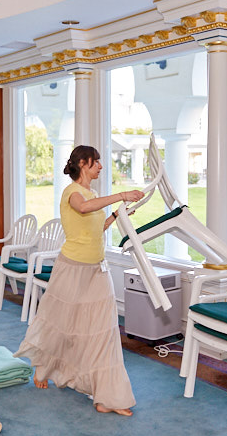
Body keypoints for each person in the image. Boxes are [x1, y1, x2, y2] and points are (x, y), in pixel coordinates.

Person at [15, 145, 144, 416]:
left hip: (97, 270)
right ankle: (44, 368)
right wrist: (121, 195)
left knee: (105, 332)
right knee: (61, 322)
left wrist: (116, 215)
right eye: (97, 162)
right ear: (84, 163)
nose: (100, 166)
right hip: (72, 268)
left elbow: (96, 227)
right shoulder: (72, 193)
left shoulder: (93, 195)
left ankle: (106, 397)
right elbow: (83, 208)